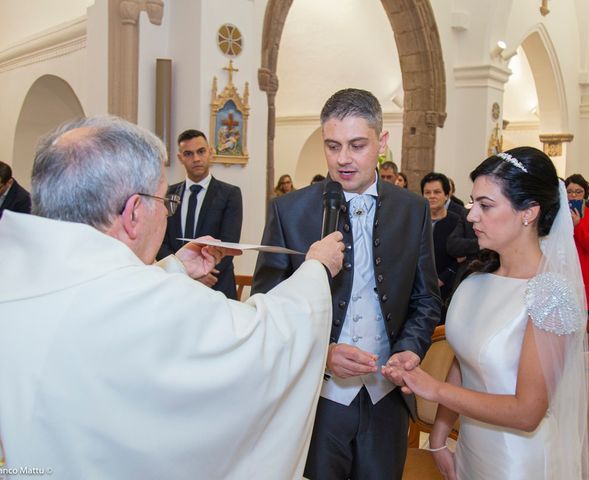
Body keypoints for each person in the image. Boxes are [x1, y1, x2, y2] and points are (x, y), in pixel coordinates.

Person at [0, 116, 346, 479]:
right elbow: (265, 342)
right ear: (134, 213)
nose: (167, 212)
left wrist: (174, 267)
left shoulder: (15, 279)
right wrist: (316, 270)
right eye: (163, 201)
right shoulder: (157, 303)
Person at [252, 88, 441, 480]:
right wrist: (322, 352)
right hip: (317, 397)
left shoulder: (413, 210)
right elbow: (267, 303)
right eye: (333, 145)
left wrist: (410, 347)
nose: (343, 159)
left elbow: (425, 299)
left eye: (357, 145)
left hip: (386, 397)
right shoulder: (289, 211)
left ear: (382, 142)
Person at [385, 147, 589, 479]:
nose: (470, 216)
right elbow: (465, 361)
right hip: (472, 449)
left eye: (485, 205)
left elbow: (527, 412)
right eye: (472, 202)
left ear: (529, 212)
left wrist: (434, 390)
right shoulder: (478, 279)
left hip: (518, 462)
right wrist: (439, 435)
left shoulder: (550, 295)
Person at [157, 129, 242, 299]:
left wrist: (204, 273)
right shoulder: (168, 194)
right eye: (188, 154)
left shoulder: (229, 194)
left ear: (210, 152)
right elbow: (161, 240)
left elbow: (228, 242)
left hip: (217, 284)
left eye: (201, 151)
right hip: (177, 284)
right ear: (181, 157)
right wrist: (184, 272)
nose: (196, 159)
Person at [420, 172, 459, 318]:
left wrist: (441, 279)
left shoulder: (456, 221)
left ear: (447, 195)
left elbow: (460, 259)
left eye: (437, 192)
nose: (432, 196)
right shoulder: (416, 220)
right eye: (427, 192)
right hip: (417, 287)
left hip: (445, 289)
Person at [565, 174, 589, 316]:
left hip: (581, 267)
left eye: (578, 191)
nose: (573, 195)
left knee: (579, 320)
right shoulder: (557, 214)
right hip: (561, 266)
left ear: (585, 194)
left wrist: (577, 226)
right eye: (569, 191)